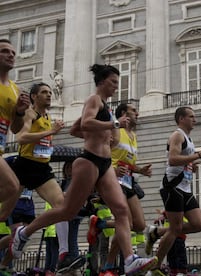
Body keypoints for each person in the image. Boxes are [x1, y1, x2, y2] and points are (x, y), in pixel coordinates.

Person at [10, 64, 158, 276]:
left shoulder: (104, 105)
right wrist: (113, 124)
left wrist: (103, 136)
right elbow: (87, 122)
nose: (117, 86)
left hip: (105, 164)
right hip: (89, 161)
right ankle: (25, 232)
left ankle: (129, 259)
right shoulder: (94, 100)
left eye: (118, 82)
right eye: (113, 82)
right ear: (102, 82)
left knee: (122, 210)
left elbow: (75, 129)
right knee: (68, 210)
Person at [7, 82, 81, 273]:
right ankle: (6, 257)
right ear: (34, 97)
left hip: (42, 169)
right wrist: (50, 132)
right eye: (44, 92)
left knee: (64, 207)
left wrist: (48, 137)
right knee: (3, 216)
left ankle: (64, 253)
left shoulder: (48, 116)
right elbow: (21, 138)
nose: (49, 95)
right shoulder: (31, 114)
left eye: (50, 92)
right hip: (24, 167)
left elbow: (42, 142)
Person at [144, 106, 201, 276]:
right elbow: (173, 159)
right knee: (175, 229)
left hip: (185, 188)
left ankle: (157, 232)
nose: (195, 120)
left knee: (198, 224)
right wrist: (198, 156)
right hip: (173, 187)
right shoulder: (177, 135)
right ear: (181, 119)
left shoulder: (188, 139)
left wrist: (191, 166)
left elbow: (182, 161)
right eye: (191, 116)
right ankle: (154, 267)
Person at [87, 102, 152, 276]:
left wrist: (140, 170)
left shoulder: (133, 135)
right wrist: (112, 170)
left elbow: (128, 163)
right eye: (133, 110)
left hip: (128, 181)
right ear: (124, 113)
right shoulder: (116, 130)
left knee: (139, 225)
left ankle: (100, 224)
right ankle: (109, 266)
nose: (137, 113)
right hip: (113, 180)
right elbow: (103, 152)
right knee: (127, 223)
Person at [0, 38, 31, 222]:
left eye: (13, 52)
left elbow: (16, 128)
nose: (10, 55)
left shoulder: (15, 89)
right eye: (5, 51)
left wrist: (19, 112)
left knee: (12, 187)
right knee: (12, 186)